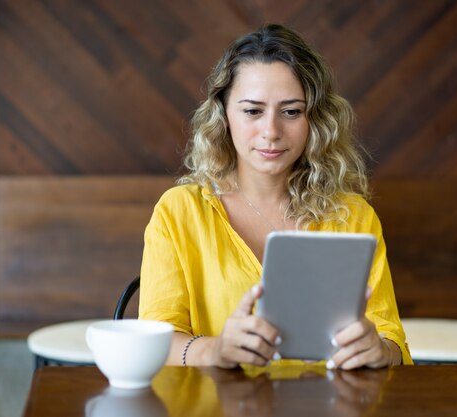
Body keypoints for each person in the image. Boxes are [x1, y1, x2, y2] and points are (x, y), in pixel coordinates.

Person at [139, 23, 412, 369]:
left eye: (291, 111)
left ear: (316, 119)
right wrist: (215, 350)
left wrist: (380, 350)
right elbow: (154, 342)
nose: (271, 131)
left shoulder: (353, 216)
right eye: (253, 111)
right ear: (223, 115)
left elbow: (392, 341)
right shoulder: (179, 212)